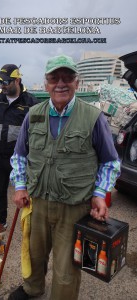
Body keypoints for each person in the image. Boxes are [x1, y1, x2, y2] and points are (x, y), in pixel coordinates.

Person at [8, 54, 120, 300]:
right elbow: (19, 156)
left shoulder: (93, 117)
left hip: (74, 208)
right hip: (36, 202)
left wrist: (100, 194)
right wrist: (20, 186)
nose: (61, 83)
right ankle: (32, 288)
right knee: (33, 253)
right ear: (46, 84)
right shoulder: (33, 114)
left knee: (66, 267)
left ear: (77, 83)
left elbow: (110, 162)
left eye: (67, 77)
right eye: (53, 78)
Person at [0, 64, 38, 228]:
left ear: (17, 80)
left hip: (22, 158)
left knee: (27, 192)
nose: (3, 85)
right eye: (0, 81)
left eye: (6, 81)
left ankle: (30, 222)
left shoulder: (32, 104)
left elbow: (38, 134)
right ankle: (0, 219)